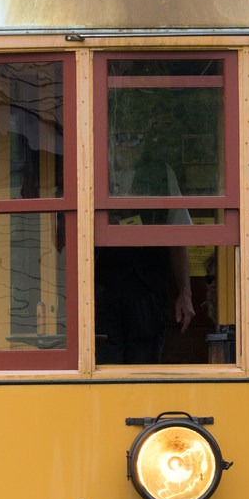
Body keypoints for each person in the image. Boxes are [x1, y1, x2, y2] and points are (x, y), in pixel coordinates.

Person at [95, 132, 195, 364]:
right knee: (103, 365)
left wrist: (185, 293)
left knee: (144, 365)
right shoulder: (94, 169)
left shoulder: (162, 173)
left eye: (134, 139)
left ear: (143, 144)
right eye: (120, 138)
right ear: (109, 141)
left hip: (147, 292)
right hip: (101, 291)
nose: (127, 146)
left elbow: (179, 235)